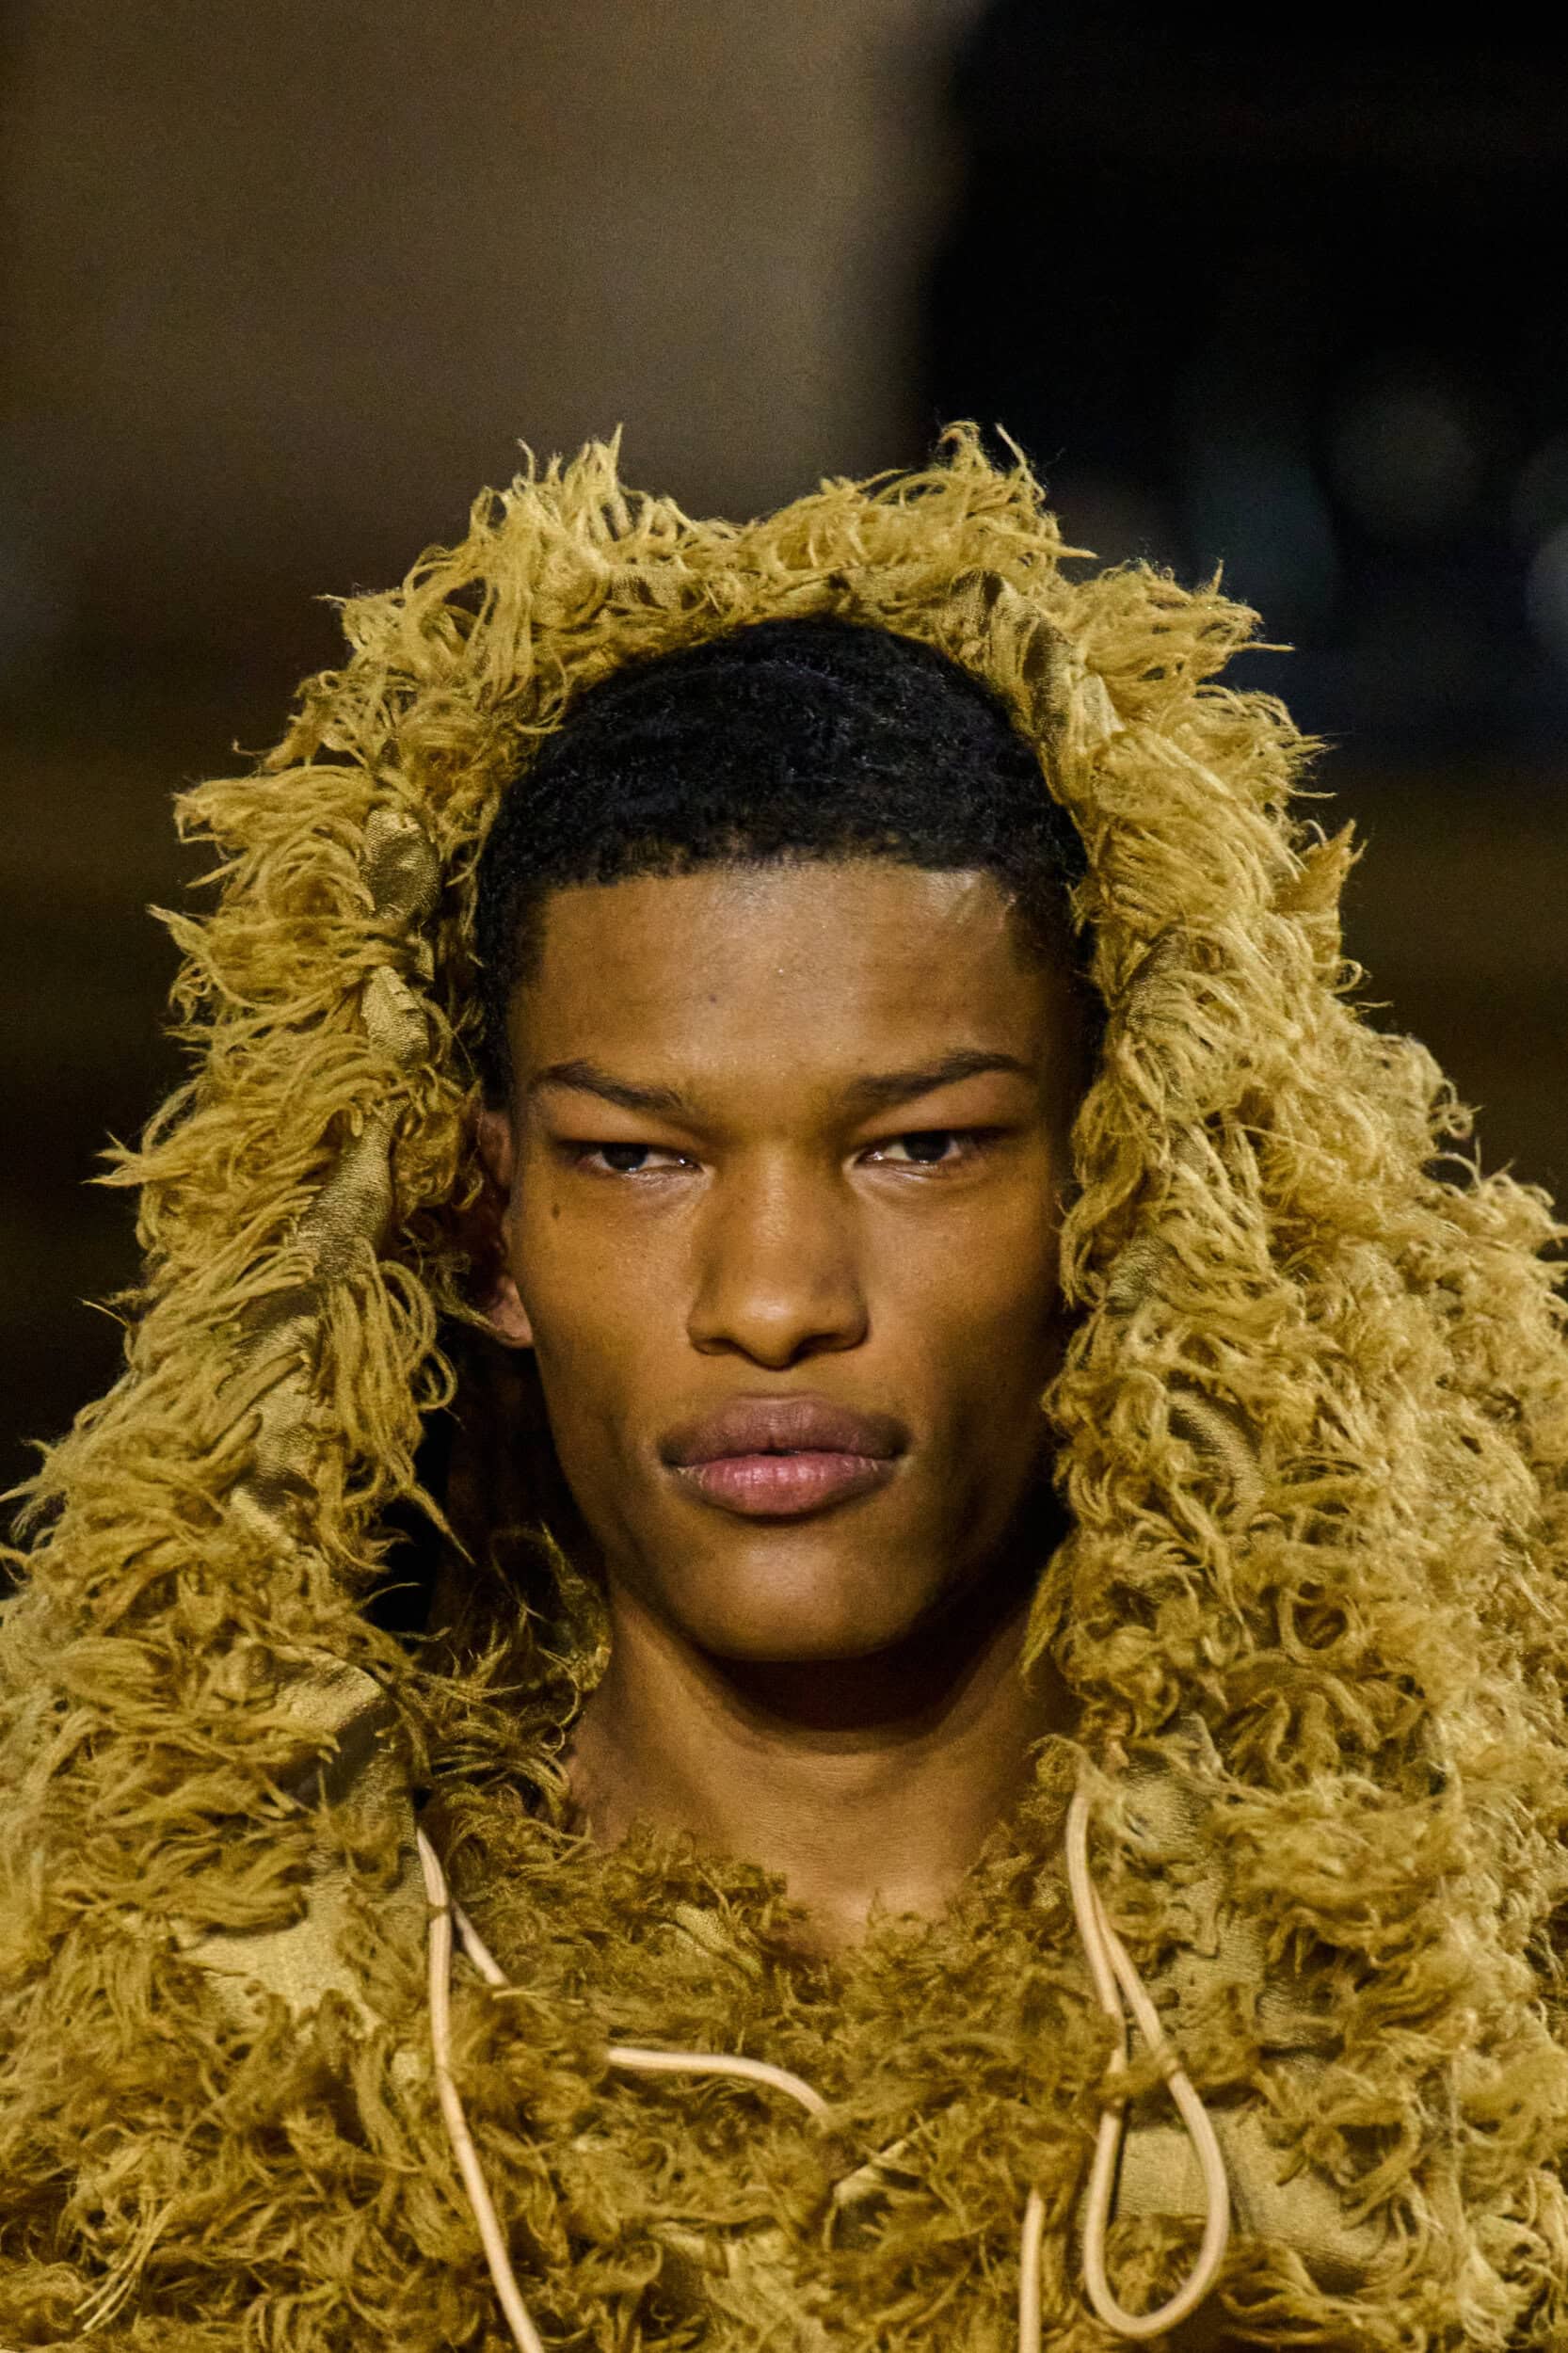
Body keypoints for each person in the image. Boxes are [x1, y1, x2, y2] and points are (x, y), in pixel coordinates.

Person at [3, 424, 1566, 2352]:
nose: (769, 1303)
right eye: (634, 1157)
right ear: (479, 1229)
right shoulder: (133, 2027)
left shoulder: (1471, 1975)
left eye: (919, 1146)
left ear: (1132, 1188)